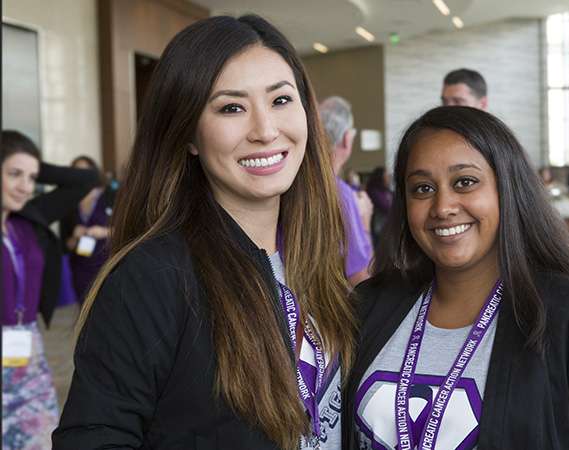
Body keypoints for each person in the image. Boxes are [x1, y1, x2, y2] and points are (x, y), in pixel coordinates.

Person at [52, 15, 356, 450]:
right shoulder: (154, 277)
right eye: (231, 107)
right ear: (189, 134)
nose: (266, 130)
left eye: (281, 100)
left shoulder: (315, 259)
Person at [343, 106, 569, 449]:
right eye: (423, 188)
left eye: (465, 182)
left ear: (507, 189)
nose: (443, 206)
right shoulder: (370, 304)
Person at [2, 130, 96, 449]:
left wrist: (29, 162)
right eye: (14, 174)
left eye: (31, 177)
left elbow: (86, 179)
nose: (25, 186)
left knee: (38, 439)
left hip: (27, 350)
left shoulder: (29, 218)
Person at [319, 96, 373, 286]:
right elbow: (362, 282)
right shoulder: (342, 196)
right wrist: (364, 222)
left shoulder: (295, 185)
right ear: (347, 139)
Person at [59, 156, 116, 300]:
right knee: (85, 312)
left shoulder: (111, 195)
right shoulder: (67, 201)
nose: (81, 175)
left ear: (94, 172)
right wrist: (75, 236)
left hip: (108, 267)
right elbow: (65, 244)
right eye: (77, 171)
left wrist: (104, 232)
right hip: (80, 268)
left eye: (85, 171)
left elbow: (129, 231)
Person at [365, 166, 393, 246]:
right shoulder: (373, 191)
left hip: (387, 228)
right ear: (380, 177)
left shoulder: (387, 190)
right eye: (387, 175)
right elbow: (386, 207)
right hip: (379, 229)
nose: (389, 178)